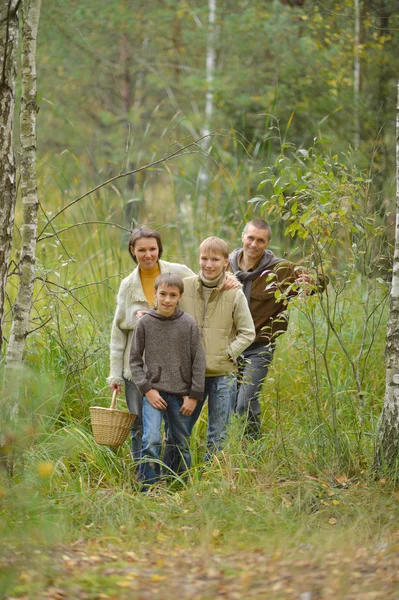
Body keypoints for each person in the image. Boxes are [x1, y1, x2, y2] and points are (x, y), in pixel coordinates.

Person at [229, 218, 328, 437]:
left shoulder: (279, 269)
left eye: (261, 240)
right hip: (229, 347)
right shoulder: (226, 265)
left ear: (267, 243)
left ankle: (252, 447)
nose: (254, 244)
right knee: (230, 403)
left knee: (245, 403)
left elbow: (321, 280)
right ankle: (234, 449)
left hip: (259, 346)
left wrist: (311, 282)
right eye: (251, 238)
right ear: (243, 237)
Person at [107, 226, 194, 461]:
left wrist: (228, 278)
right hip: (135, 368)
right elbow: (118, 333)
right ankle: (143, 469)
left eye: (153, 249)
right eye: (142, 250)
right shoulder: (127, 285)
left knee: (171, 423)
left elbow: (204, 280)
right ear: (132, 251)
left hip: (170, 367)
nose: (148, 255)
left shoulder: (177, 272)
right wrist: (115, 375)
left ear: (159, 249)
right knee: (138, 422)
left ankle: (169, 470)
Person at [180, 236, 255, 459]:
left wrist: (227, 353)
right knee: (180, 429)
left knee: (218, 434)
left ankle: (209, 481)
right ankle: (176, 476)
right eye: (204, 258)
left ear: (225, 262)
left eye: (215, 259)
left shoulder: (234, 293)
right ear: (198, 259)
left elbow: (248, 332)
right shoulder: (184, 287)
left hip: (223, 375)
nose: (209, 264)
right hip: (190, 375)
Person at [130, 273, 206, 486]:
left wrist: (194, 395)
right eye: (162, 294)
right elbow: (134, 361)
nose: (167, 299)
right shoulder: (144, 323)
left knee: (180, 442)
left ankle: (178, 485)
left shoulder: (188, 324)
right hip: (154, 393)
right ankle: (149, 486)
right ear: (154, 294)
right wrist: (147, 390)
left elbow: (199, 361)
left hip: (181, 395)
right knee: (151, 439)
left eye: (173, 295)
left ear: (180, 297)